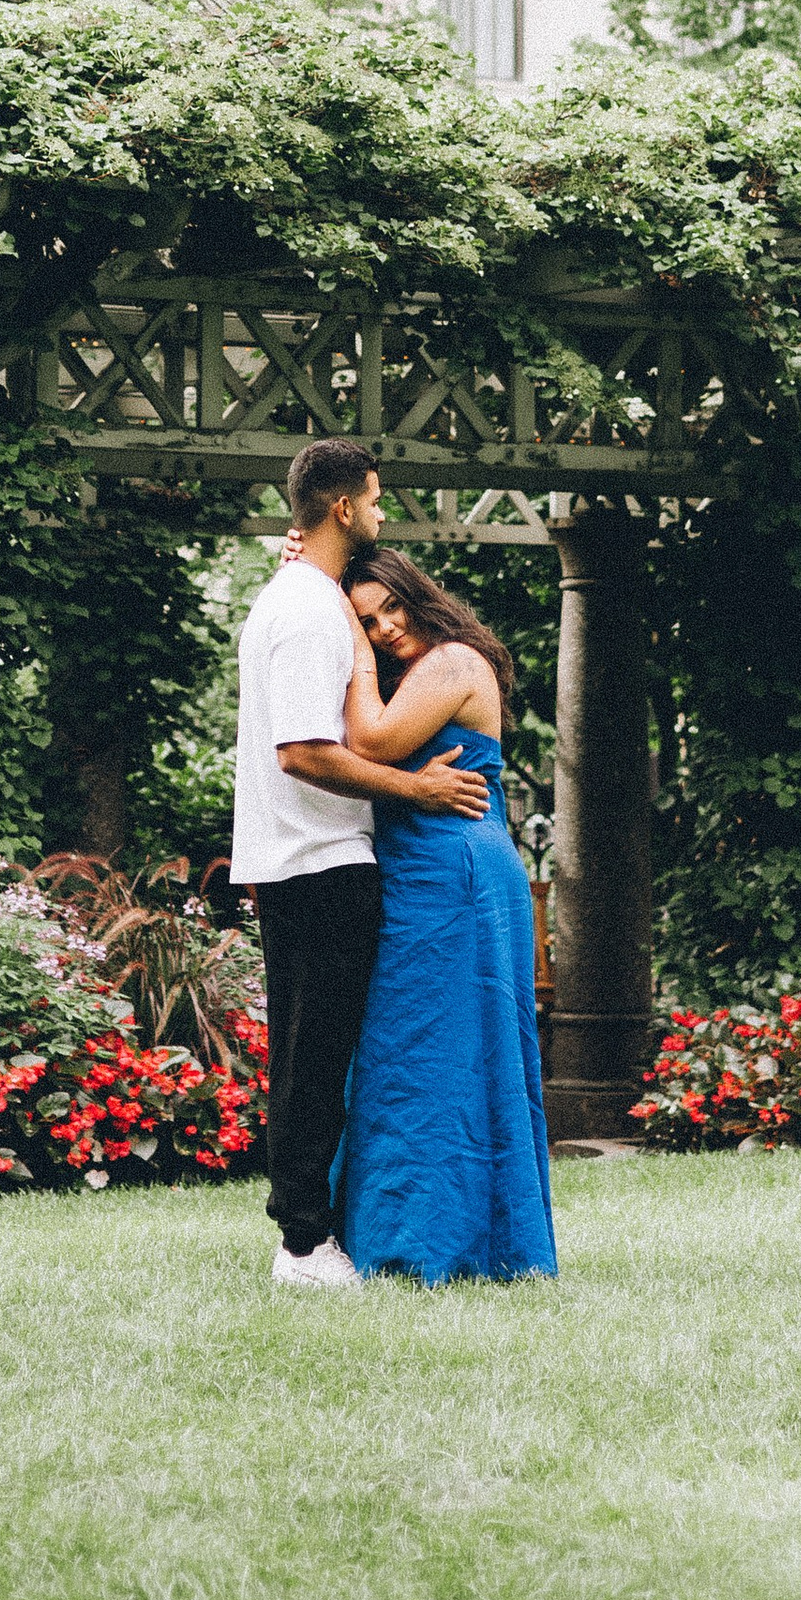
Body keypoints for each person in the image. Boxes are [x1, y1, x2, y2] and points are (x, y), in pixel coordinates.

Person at [229, 437, 490, 1293]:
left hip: (299, 859)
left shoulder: (299, 597)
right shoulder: (306, 610)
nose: (381, 515)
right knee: (314, 1059)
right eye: (375, 502)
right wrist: (413, 791)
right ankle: (303, 1245)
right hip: (321, 859)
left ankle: (313, 1229)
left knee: (314, 1051)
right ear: (344, 507)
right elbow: (305, 751)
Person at [330, 548, 557, 1287]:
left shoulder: (454, 662)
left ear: (418, 596)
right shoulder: (407, 675)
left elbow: (370, 744)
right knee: (405, 1049)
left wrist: (355, 647)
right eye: (368, 620)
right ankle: (397, 1231)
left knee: (457, 1049)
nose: (387, 627)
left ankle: (459, 1240)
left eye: (392, 608)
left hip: (455, 873)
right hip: (413, 874)